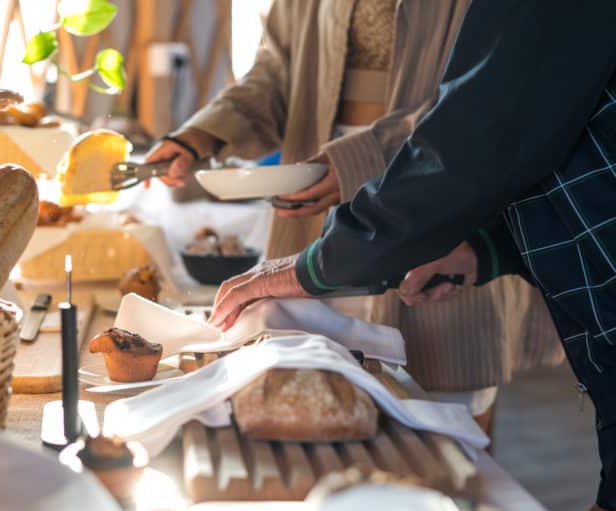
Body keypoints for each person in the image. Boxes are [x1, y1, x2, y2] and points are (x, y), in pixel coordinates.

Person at [207, 1, 616, 508]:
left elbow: (479, 126)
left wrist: (322, 262)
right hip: (405, 230)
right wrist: (491, 251)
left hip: (405, 216)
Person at [146, 0, 561, 433]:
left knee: (447, 415)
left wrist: (357, 161)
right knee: (317, 400)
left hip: (438, 196)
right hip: (316, 203)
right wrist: (204, 134)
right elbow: (276, 72)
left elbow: (483, 104)